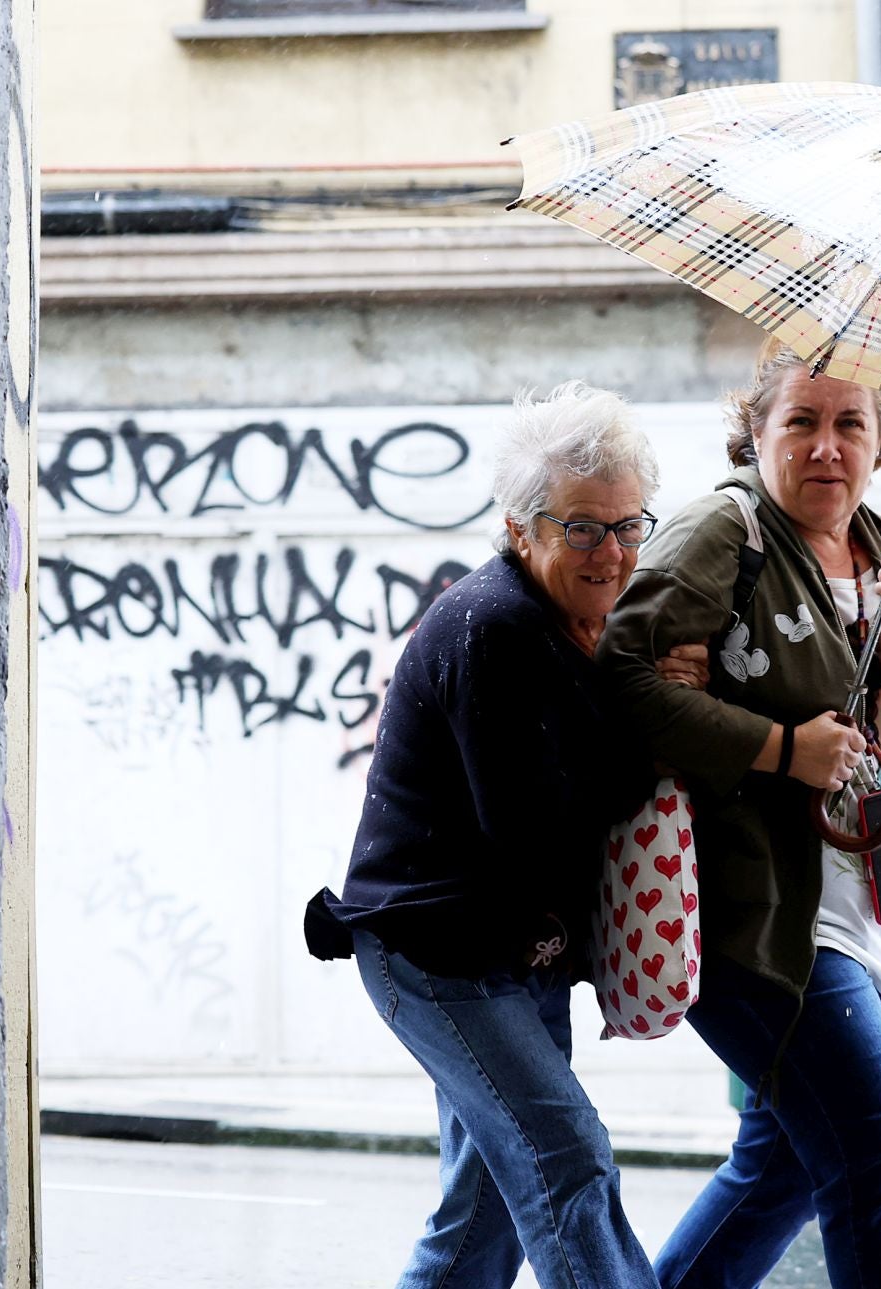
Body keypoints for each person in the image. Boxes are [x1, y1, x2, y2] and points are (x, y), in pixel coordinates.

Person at [598, 340, 881, 1289]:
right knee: (879, 1156)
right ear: (760, 432)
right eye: (804, 422)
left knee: (779, 1169)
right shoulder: (722, 531)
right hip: (765, 922)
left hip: (875, 918)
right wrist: (783, 748)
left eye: (850, 423)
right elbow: (620, 676)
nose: (827, 447)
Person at [304, 381, 707, 1289]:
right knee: (569, 1159)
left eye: (629, 525)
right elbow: (535, 828)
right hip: (437, 953)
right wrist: (659, 718)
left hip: (513, 952)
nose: (613, 552)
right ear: (522, 529)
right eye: (583, 528)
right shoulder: (497, 629)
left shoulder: (576, 628)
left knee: (484, 1216)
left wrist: (642, 685)